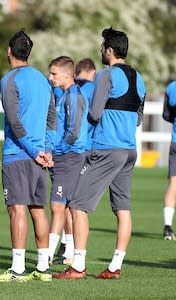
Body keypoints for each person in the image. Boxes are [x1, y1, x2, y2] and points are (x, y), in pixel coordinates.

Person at [53, 27, 145, 280]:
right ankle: (114, 267)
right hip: (129, 150)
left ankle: (78, 266)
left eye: (102, 46)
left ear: (110, 50)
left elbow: (94, 113)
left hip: (106, 148)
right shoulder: (140, 78)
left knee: (77, 205)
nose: (100, 50)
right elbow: (138, 119)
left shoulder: (106, 75)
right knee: (122, 209)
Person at [0, 30, 55, 283]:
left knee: (17, 210)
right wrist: (46, 150)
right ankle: (43, 269)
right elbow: (51, 118)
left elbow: (14, 121)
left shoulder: (9, 79)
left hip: (18, 154)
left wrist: (35, 151)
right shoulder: (42, 79)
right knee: (38, 210)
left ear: (8, 51)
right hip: (39, 156)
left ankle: (17, 270)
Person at [53, 58, 96, 263]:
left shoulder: (74, 96)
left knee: (60, 206)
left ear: (67, 74)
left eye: (54, 74)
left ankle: (48, 259)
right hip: (67, 154)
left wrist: (57, 151)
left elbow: (73, 131)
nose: (50, 77)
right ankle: (67, 253)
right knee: (66, 205)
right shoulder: (64, 95)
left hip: (71, 155)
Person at [162, 80, 176, 240]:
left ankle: (167, 226)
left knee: (173, 182)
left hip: (175, 142)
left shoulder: (171, 87)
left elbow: (166, 115)